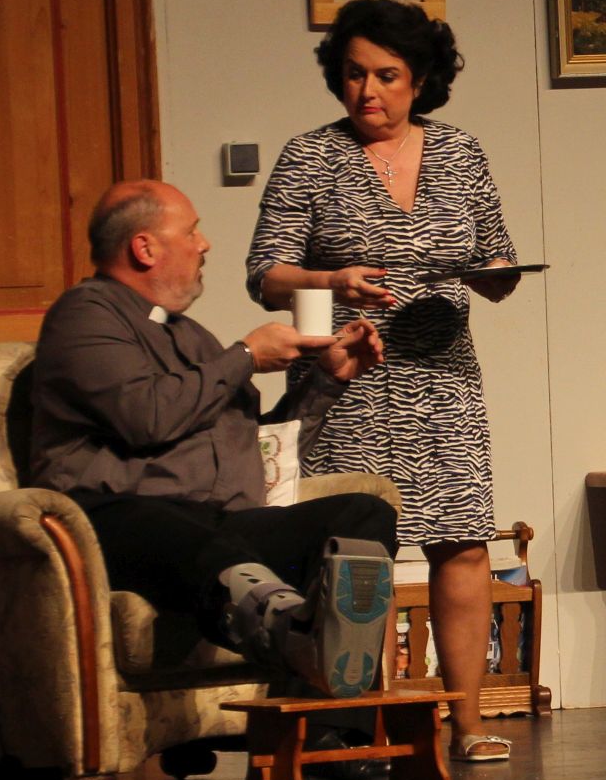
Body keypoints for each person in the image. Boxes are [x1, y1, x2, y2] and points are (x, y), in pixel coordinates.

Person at [247, 0, 523, 763]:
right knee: (349, 553)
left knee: (461, 543)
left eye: (386, 76)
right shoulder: (311, 157)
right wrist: (331, 279)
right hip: (347, 375)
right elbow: (265, 275)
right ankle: (351, 726)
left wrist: (496, 275)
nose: (367, 91)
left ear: (421, 79)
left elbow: (497, 258)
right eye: (353, 74)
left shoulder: (461, 153)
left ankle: (465, 724)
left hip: (443, 376)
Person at [27, 180, 397, 712]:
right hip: (120, 523)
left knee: (360, 515)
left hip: (214, 525)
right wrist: (244, 356)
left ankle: (326, 729)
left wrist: (327, 381)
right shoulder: (84, 316)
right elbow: (146, 417)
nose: (205, 244)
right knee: (173, 524)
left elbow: (256, 451)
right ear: (144, 247)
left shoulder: (190, 336)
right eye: (192, 231)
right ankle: (289, 629)